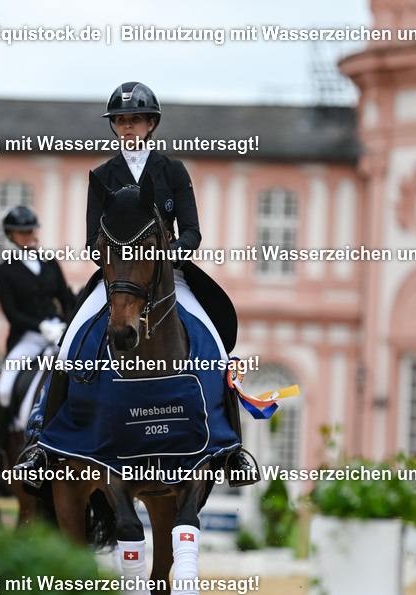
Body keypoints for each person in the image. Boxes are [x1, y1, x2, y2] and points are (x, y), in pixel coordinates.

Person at [16, 82, 257, 484]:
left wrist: (166, 256)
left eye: (135, 120)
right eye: (121, 121)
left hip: (168, 278)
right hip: (118, 281)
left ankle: (232, 451)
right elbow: (94, 238)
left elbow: (193, 232)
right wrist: (119, 263)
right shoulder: (103, 175)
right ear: (115, 127)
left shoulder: (173, 171)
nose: (128, 127)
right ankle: (43, 445)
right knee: (68, 344)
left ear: (150, 124)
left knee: (215, 343)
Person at [0, 206, 74, 471]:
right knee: (6, 389)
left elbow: (66, 299)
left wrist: (71, 323)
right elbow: (12, 313)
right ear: (11, 235)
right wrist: (41, 326)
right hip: (28, 338)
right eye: (22, 232)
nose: (28, 235)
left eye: (31, 229)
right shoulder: (5, 271)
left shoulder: (50, 263)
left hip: (58, 333)